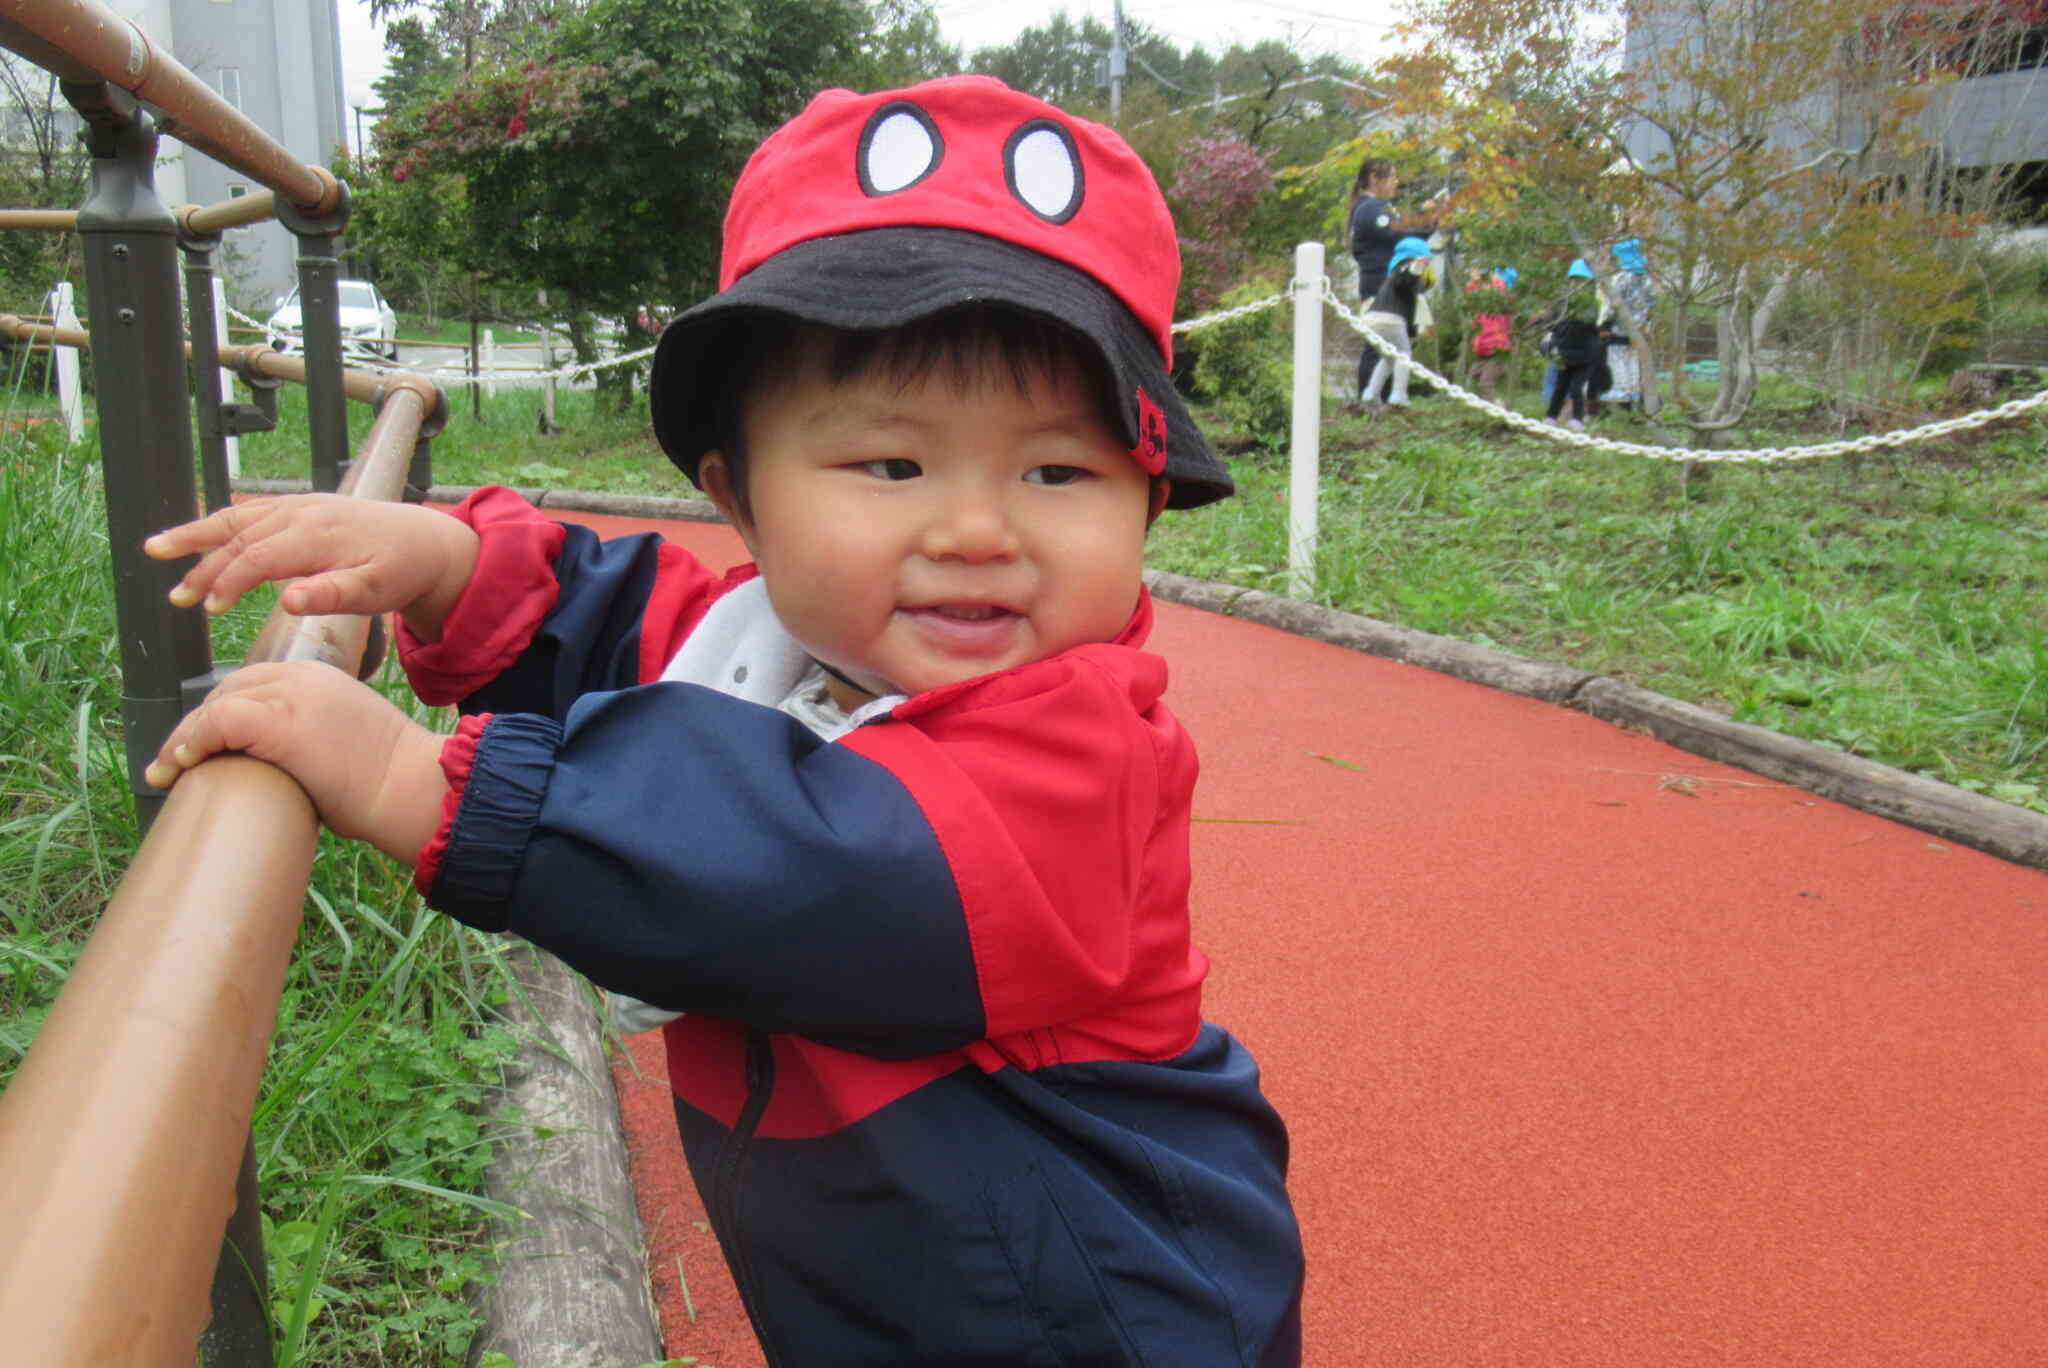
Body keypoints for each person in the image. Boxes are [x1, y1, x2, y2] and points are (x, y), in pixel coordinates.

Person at [141, 75, 1305, 1366]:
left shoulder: (1083, 753)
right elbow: (630, 624)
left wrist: (420, 783)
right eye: (890, 465)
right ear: (738, 498)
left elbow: (825, 865)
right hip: (896, 1283)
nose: (979, 533)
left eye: (1058, 471)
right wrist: (444, 563)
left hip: (1096, 1305)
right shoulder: (779, 639)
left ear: (1146, 504)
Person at [1348, 156, 1446, 402]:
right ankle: (1368, 401)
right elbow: (1400, 235)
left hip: (1393, 288)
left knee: (1389, 349)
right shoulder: (1370, 209)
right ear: (1374, 178)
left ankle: (1380, 399)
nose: (1396, 182)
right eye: (1392, 176)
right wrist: (1425, 218)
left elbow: (1408, 236)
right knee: (1378, 347)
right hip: (1379, 286)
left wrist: (1428, 219)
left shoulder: (1379, 208)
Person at [1357, 236, 1435, 409]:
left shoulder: (1391, 276)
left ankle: (1371, 393)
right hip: (1391, 319)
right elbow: (1405, 279)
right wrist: (1417, 267)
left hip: (1372, 320)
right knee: (1403, 354)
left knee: (1388, 358)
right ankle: (1398, 394)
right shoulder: (1405, 272)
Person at [1541, 259, 1604, 429]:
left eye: (1582, 280)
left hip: (1585, 355)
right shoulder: (1563, 300)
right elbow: (1553, 323)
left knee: (1576, 388)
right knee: (1560, 387)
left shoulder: (1592, 302)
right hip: (1565, 353)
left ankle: (1577, 419)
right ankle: (1551, 417)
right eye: (1575, 279)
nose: (1578, 284)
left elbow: (1590, 321)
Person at [1465, 265, 1516, 401]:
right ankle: (1494, 404)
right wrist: (1475, 283)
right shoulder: (1483, 303)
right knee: (1474, 376)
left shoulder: (1500, 298)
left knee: (1485, 383)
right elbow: (1473, 294)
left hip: (1497, 348)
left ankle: (1497, 411)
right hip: (1484, 347)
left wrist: (1482, 280)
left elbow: (1498, 290)